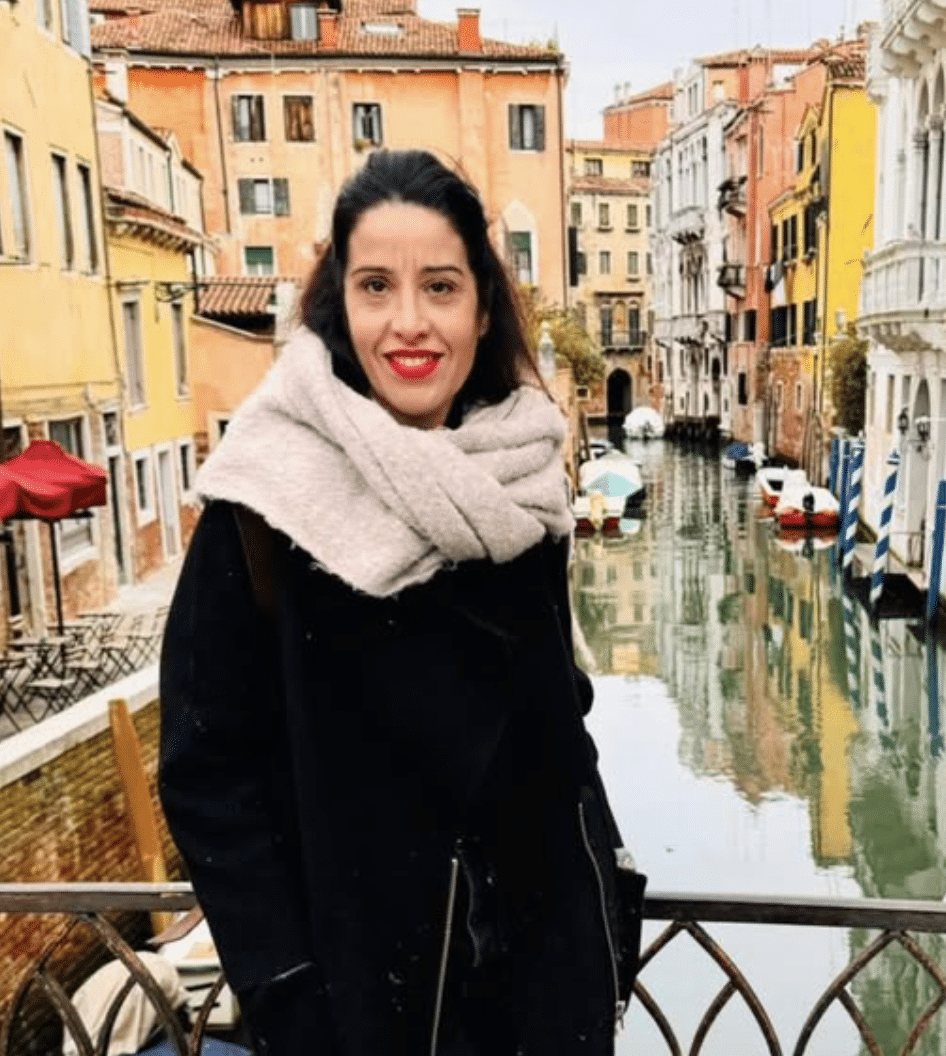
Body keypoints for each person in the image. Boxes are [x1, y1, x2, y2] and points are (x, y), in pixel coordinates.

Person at [158, 149, 640, 1056]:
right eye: (376, 286)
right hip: (367, 1007)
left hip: (546, 990)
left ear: (483, 308)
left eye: (441, 288)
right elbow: (204, 772)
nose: (409, 323)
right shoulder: (265, 501)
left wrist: (604, 888)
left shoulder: (524, 483)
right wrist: (292, 998)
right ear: (339, 303)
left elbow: (559, 709)